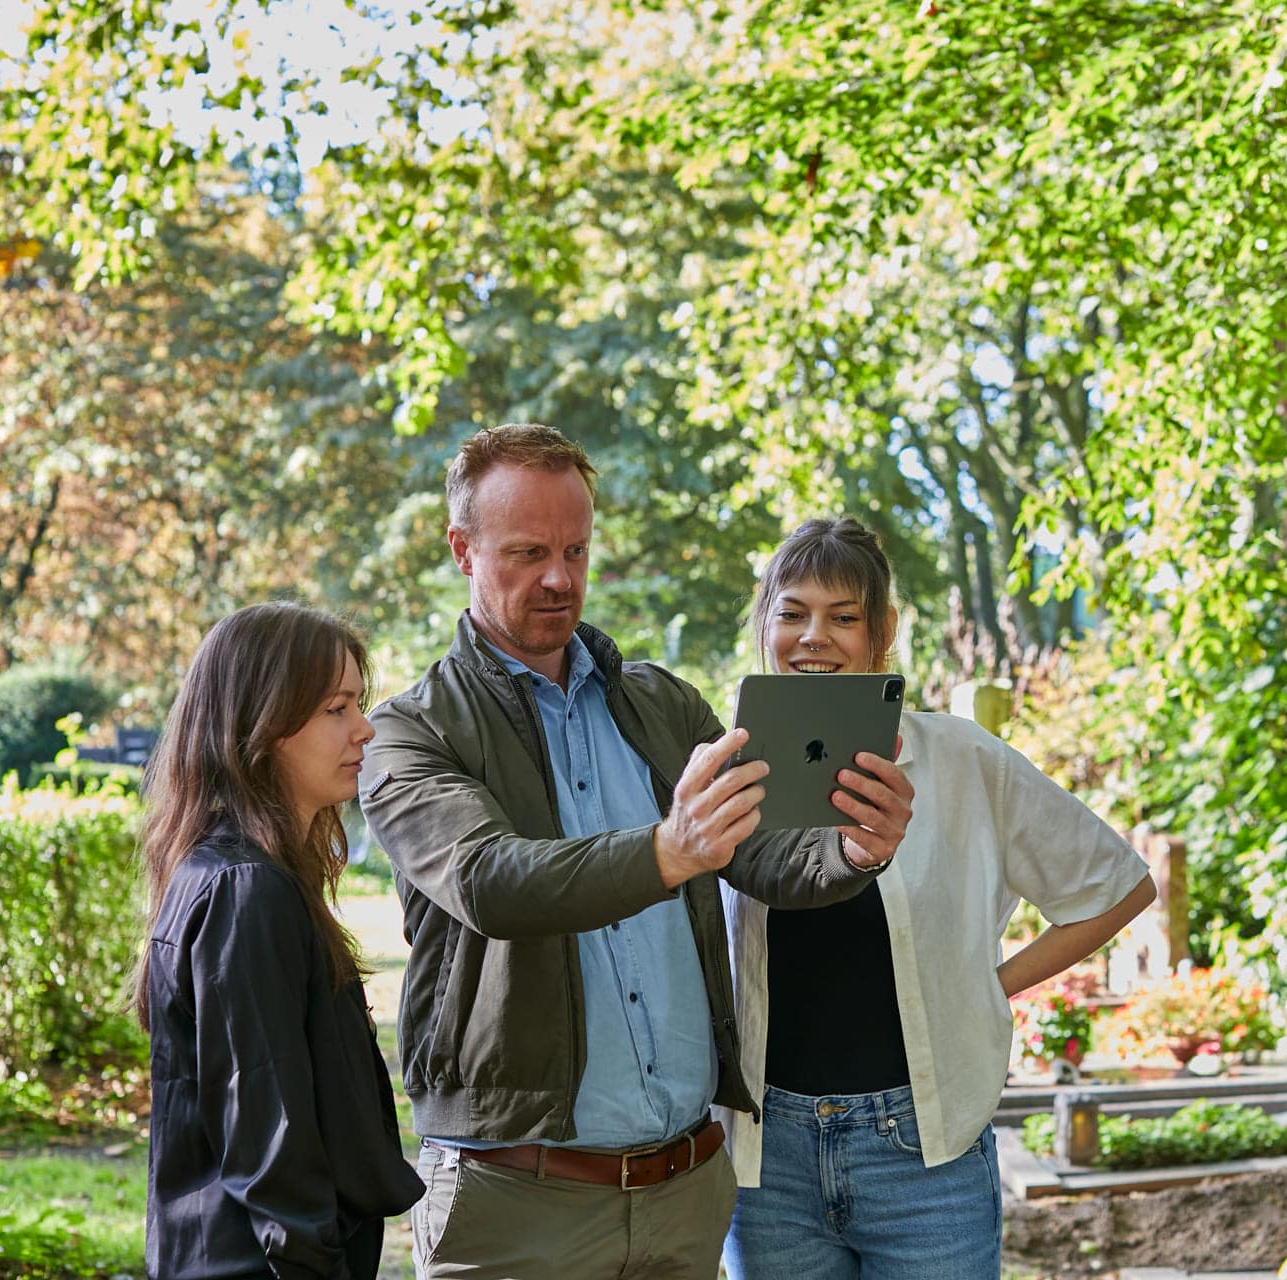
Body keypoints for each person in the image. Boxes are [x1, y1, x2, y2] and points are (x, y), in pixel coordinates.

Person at [358, 424, 915, 1279]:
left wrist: (853, 852)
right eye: (528, 552)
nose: (559, 578)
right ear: (461, 549)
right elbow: (489, 882)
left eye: (576, 551)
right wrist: (667, 850)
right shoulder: (410, 731)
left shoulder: (663, 705)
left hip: (683, 1195)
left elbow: (763, 857)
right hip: (513, 1204)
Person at [722, 518, 1157, 1280]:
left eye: (843, 616)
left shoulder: (959, 760)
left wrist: (989, 985)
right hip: (768, 1167)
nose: (813, 636)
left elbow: (1116, 886)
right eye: (792, 613)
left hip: (926, 1160)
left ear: (883, 633)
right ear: (765, 625)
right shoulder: (725, 777)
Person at [136, 603, 423, 1280]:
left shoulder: (245, 875)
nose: (364, 728)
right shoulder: (245, 892)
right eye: (335, 708)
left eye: (359, 702)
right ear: (259, 726)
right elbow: (271, 1150)